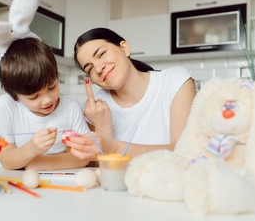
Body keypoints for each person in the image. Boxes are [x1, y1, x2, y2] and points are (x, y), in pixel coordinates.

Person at [0, 0, 90, 170]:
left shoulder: (71, 108)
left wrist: (37, 163)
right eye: (34, 97)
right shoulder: (5, 106)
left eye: (52, 86)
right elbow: (6, 160)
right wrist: (31, 149)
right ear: (13, 94)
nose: (47, 99)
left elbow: (83, 157)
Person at [65, 27, 196, 161]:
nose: (98, 68)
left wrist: (114, 148)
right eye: (90, 68)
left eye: (101, 54)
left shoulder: (175, 81)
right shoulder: (96, 108)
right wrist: (103, 128)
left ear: (124, 48)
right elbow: (96, 168)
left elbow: (185, 151)